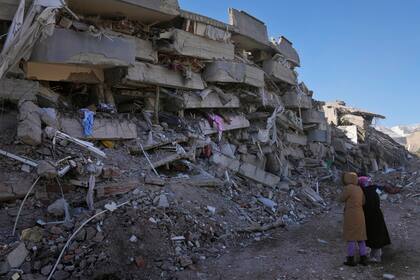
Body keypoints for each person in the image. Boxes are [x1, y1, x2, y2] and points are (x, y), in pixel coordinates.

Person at [358, 176, 391, 262]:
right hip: (376, 214)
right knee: (378, 234)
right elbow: (383, 196)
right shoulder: (375, 189)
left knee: (369, 235)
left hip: (366, 216)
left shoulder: (360, 191)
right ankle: (377, 256)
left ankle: (373, 256)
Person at [339, 172, 368, 266]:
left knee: (351, 237)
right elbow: (363, 201)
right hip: (360, 214)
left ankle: (351, 260)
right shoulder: (359, 188)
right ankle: (363, 258)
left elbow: (341, 198)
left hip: (351, 214)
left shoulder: (348, 188)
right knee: (361, 237)